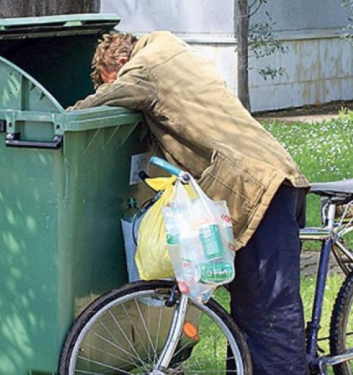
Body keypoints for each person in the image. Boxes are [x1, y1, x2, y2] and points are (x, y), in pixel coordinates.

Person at [71, 31, 310, 375]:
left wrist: (61, 116)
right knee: (250, 315)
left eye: (112, 79)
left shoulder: (143, 68)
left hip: (257, 188)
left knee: (268, 316)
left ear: (121, 63)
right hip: (271, 179)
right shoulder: (175, 53)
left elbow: (95, 105)